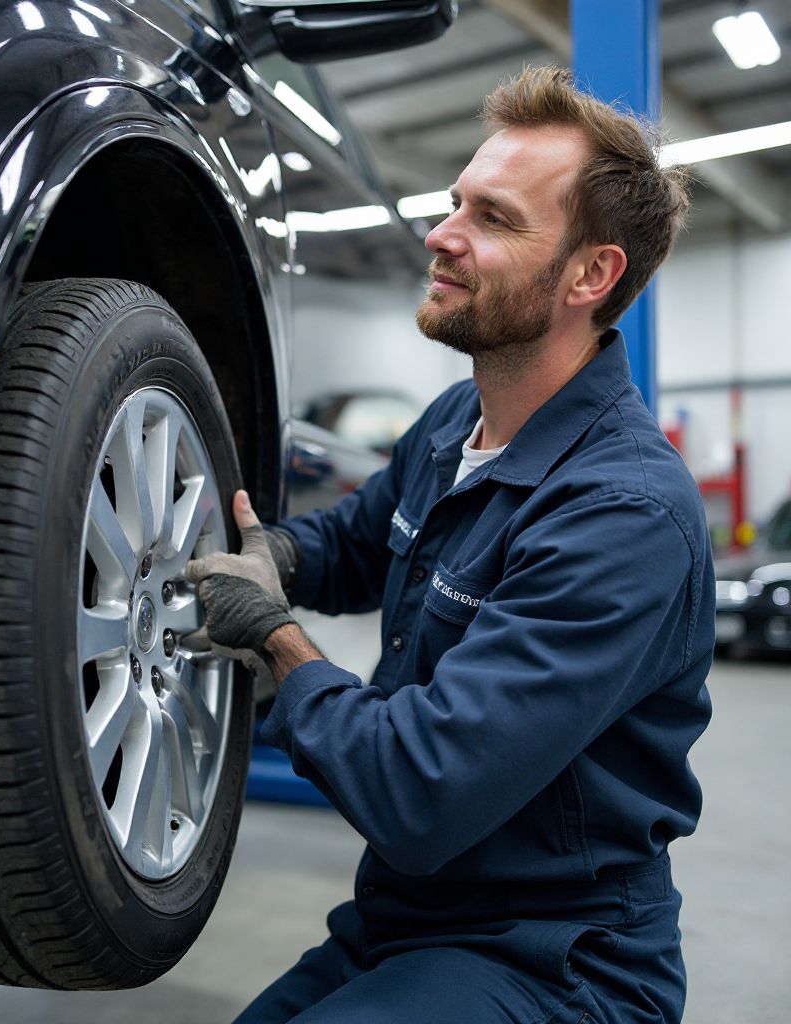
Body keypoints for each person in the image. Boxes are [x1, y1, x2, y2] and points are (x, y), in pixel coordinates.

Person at [185, 65, 713, 1024]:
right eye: (454, 202)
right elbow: (355, 540)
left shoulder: (625, 513)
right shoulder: (454, 422)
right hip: (406, 918)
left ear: (591, 276)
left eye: (496, 219)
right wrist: (280, 560)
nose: (441, 234)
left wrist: (276, 640)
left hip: (562, 960)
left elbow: (418, 791)